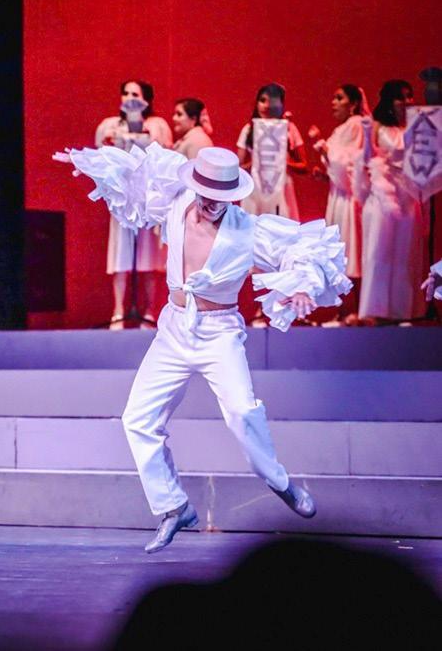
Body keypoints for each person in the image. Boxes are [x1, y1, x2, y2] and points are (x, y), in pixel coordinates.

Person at [60, 143, 350, 553]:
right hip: (173, 329)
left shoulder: (247, 230)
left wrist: (302, 286)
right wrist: (89, 162)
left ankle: (281, 484)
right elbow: (132, 174)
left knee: (242, 414)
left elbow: (300, 250)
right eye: (207, 194)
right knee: (137, 419)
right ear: (195, 187)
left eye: (221, 197)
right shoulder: (176, 202)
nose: (212, 203)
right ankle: (173, 507)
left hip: (219, 334)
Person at [94, 80, 173, 328]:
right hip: (122, 199)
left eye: (135, 94)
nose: (130, 98)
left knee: (148, 256)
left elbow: (165, 159)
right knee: (121, 254)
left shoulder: (157, 125)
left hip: (147, 200)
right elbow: (101, 159)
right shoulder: (110, 125)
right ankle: (118, 310)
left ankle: (149, 310)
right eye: (126, 93)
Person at [356, 79, 426, 324]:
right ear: (390, 100)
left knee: (405, 252)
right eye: (401, 97)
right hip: (382, 193)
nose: (407, 101)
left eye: (409, 96)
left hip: (408, 193)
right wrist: (367, 136)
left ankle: (402, 311)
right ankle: (376, 311)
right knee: (379, 249)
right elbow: (366, 158)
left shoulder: (415, 127)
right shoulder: (377, 126)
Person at [308, 85, 369, 323]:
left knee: (351, 252)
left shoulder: (355, 125)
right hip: (339, 197)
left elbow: (350, 164)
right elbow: (338, 169)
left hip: (349, 200)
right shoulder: (343, 128)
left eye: (339, 98)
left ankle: (356, 310)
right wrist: (325, 172)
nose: (333, 102)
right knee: (341, 253)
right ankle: (346, 310)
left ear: (353, 104)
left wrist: (324, 147)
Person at [237, 83, 308, 220]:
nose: (266, 106)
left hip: (281, 188)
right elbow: (239, 168)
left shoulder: (289, 129)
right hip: (255, 189)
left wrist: (283, 163)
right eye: (262, 100)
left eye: (271, 101)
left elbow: (304, 165)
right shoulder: (248, 130)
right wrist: (255, 163)